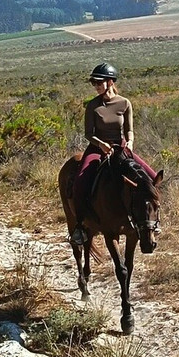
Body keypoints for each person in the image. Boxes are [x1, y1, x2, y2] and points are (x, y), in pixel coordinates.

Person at [71, 62, 158, 244]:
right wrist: (101, 144)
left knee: (152, 178)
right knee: (80, 181)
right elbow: (89, 134)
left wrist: (131, 142)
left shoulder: (124, 103)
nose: (95, 86)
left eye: (98, 82)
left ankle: (151, 222)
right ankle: (80, 227)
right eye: (93, 83)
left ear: (110, 82)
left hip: (121, 148)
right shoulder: (92, 106)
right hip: (97, 148)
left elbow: (129, 130)